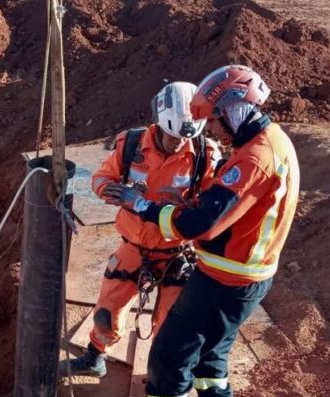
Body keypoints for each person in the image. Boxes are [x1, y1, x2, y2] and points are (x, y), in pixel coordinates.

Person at [112, 66, 300, 397]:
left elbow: (200, 225)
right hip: (247, 275)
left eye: (214, 120)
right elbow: (231, 207)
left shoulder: (254, 159)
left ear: (235, 108)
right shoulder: (272, 141)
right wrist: (197, 203)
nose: (212, 130)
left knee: (169, 353)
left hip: (225, 279)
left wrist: (145, 206)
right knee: (212, 352)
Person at [67, 82, 220, 378]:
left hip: (177, 252)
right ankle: (95, 355)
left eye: (182, 137)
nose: (177, 143)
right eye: (171, 135)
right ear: (159, 123)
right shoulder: (132, 145)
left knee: (170, 323)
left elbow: (213, 207)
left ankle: (161, 377)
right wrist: (117, 192)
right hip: (134, 246)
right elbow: (100, 179)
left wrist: (188, 208)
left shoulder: (204, 155)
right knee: (107, 308)